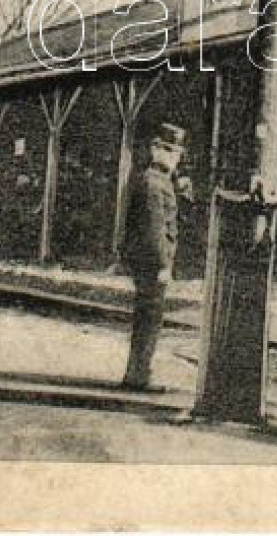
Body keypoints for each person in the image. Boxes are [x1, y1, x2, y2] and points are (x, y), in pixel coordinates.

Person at [120, 122, 186, 391]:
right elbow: (154, 229)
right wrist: (162, 264)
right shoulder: (153, 183)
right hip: (151, 262)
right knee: (149, 318)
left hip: (147, 261)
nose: (174, 157)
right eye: (168, 150)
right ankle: (138, 376)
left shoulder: (157, 181)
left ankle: (138, 372)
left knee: (149, 317)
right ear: (155, 149)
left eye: (176, 152)